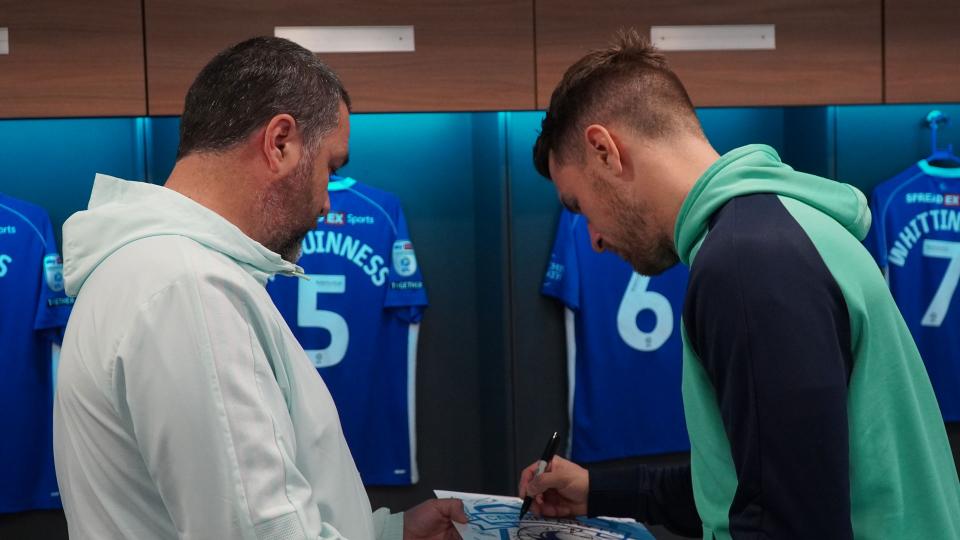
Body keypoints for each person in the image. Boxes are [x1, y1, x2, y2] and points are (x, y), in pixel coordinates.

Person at [519, 30, 960, 539]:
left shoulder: (747, 264)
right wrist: (600, 490)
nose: (591, 239)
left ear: (604, 150)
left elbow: (789, 523)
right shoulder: (773, 228)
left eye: (579, 208)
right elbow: (756, 485)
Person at [54, 36, 465, 540]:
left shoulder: (159, 271)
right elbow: (258, 530)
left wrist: (387, 534)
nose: (328, 205)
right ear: (280, 143)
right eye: (329, 169)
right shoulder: (188, 288)